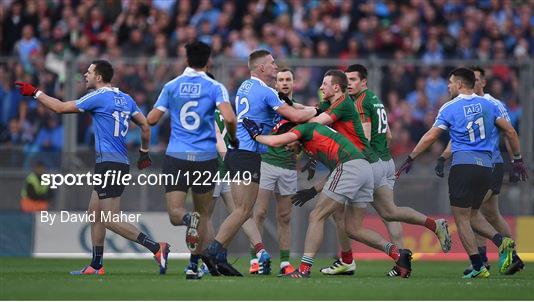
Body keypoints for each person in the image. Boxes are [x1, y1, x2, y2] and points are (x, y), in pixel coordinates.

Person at [15, 60, 169, 275]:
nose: (84, 75)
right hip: (116, 162)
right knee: (94, 213)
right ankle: (96, 265)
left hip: (110, 164)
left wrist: (35, 93)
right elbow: (145, 125)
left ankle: (156, 247)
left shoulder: (98, 96)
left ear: (98, 77)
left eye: (88, 72)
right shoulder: (126, 98)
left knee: (109, 218)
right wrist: (144, 153)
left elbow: (60, 108)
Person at [317, 65, 450, 277]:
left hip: (369, 163)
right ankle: (417, 246)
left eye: (353, 79)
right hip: (385, 162)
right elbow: (387, 135)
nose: (349, 83)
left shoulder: (359, 103)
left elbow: (365, 139)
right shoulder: (375, 99)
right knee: (390, 212)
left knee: (342, 216)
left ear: (364, 82)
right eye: (347, 80)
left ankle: (346, 260)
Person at [395, 67, 528, 278]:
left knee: (461, 218)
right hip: (487, 166)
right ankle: (497, 247)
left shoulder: (449, 107)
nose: (448, 86)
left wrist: (411, 157)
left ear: (459, 84)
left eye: (450, 82)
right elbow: (510, 131)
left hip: (464, 166)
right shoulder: (489, 105)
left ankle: (481, 263)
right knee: (475, 214)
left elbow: (431, 136)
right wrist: (518, 159)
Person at [243, 119, 413, 278]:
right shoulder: (314, 140)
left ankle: (303, 270)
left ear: (293, 134)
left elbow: (341, 168)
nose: (286, 148)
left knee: (316, 216)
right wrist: (312, 191)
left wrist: (256, 136)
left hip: (351, 167)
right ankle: (398, 254)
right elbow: (335, 171)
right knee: (354, 229)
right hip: (363, 169)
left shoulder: (303, 130)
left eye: (286, 144)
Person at [200, 49, 319, 276]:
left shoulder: (246, 86)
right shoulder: (266, 92)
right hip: (247, 155)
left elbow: (279, 114)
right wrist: (317, 110)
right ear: (261, 68)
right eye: (272, 64)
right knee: (244, 211)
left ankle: (220, 256)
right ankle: (213, 250)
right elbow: (294, 116)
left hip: (236, 154)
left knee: (240, 211)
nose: (276, 67)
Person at [146, 41, 238, 279]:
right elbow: (229, 118)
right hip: (205, 158)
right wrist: (234, 139)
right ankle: (193, 266)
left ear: (186, 60)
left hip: (176, 156)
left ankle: (189, 220)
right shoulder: (215, 86)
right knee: (204, 215)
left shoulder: (171, 86)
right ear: (208, 62)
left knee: (177, 214)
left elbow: (152, 119)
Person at [435, 66, 525, 275]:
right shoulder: (465, 106)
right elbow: (456, 140)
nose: (472, 83)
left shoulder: (493, 104)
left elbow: (509, 132)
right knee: (490, 214)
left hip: (491, 163)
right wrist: (443, 157)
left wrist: (515, 160)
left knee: (471, 214)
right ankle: (507, 256)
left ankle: (485, 259)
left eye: (476, 79)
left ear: (482, 82)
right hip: (481, 164)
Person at [251, 68, 307, 275]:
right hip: (266, 162)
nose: (284, 83)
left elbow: (304, 143)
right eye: (281, 79)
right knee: (260, 212)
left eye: (288, 79)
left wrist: (298, 149)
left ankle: (284, 262)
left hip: (288, 168)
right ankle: (255, 260)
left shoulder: (299, 111)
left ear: (293, 83)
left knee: (285, 216)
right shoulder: (269, 105)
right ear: (276, 84)